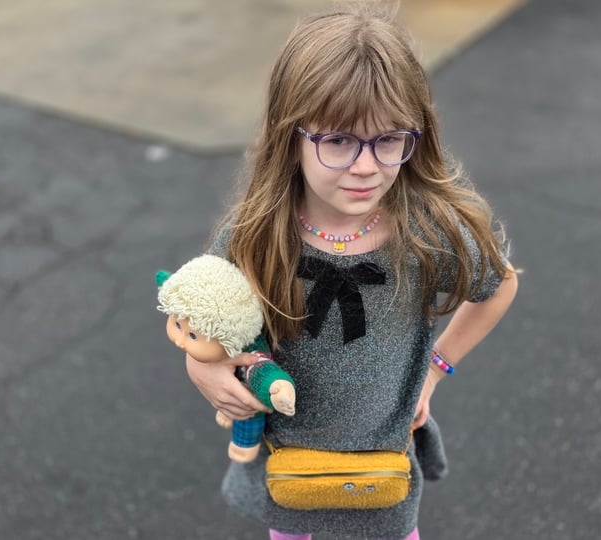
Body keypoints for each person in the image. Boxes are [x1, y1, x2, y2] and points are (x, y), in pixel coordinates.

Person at [184, 2, 518, 538]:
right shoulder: (255, 234)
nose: (366, 166)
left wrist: (436, 366)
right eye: (338, 140)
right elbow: (197, 316)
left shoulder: (427, 233)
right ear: (290, 136)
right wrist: (201, 367)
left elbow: (499, 285)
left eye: (388, 140)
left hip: (381, 478)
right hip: (286, 470)